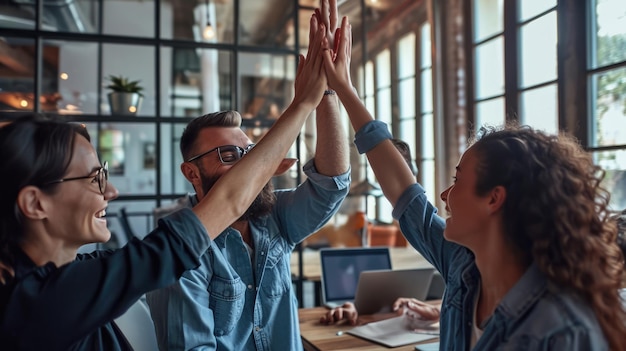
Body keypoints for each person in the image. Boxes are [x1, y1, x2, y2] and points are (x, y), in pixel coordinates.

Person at [0, 21, 329, 351]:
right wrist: (302, 104)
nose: (110, 192)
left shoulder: (73, 277)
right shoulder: (44, 305)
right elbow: (223, 204)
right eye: (94, 179)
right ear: (35, 203)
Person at [321, 16, 626, 350]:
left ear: (494, 198)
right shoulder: (464, 266)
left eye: (457, 180)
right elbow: (405, 193)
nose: (444, 194)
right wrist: (344, 90)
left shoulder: (561, 329)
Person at [145, 3, 350, 350]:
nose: (246, 166)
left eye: (250, 154)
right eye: (228, 156)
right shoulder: (180, 247)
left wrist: (327, 91)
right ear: (191, 172)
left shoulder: (273, 217)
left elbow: (330, 185)